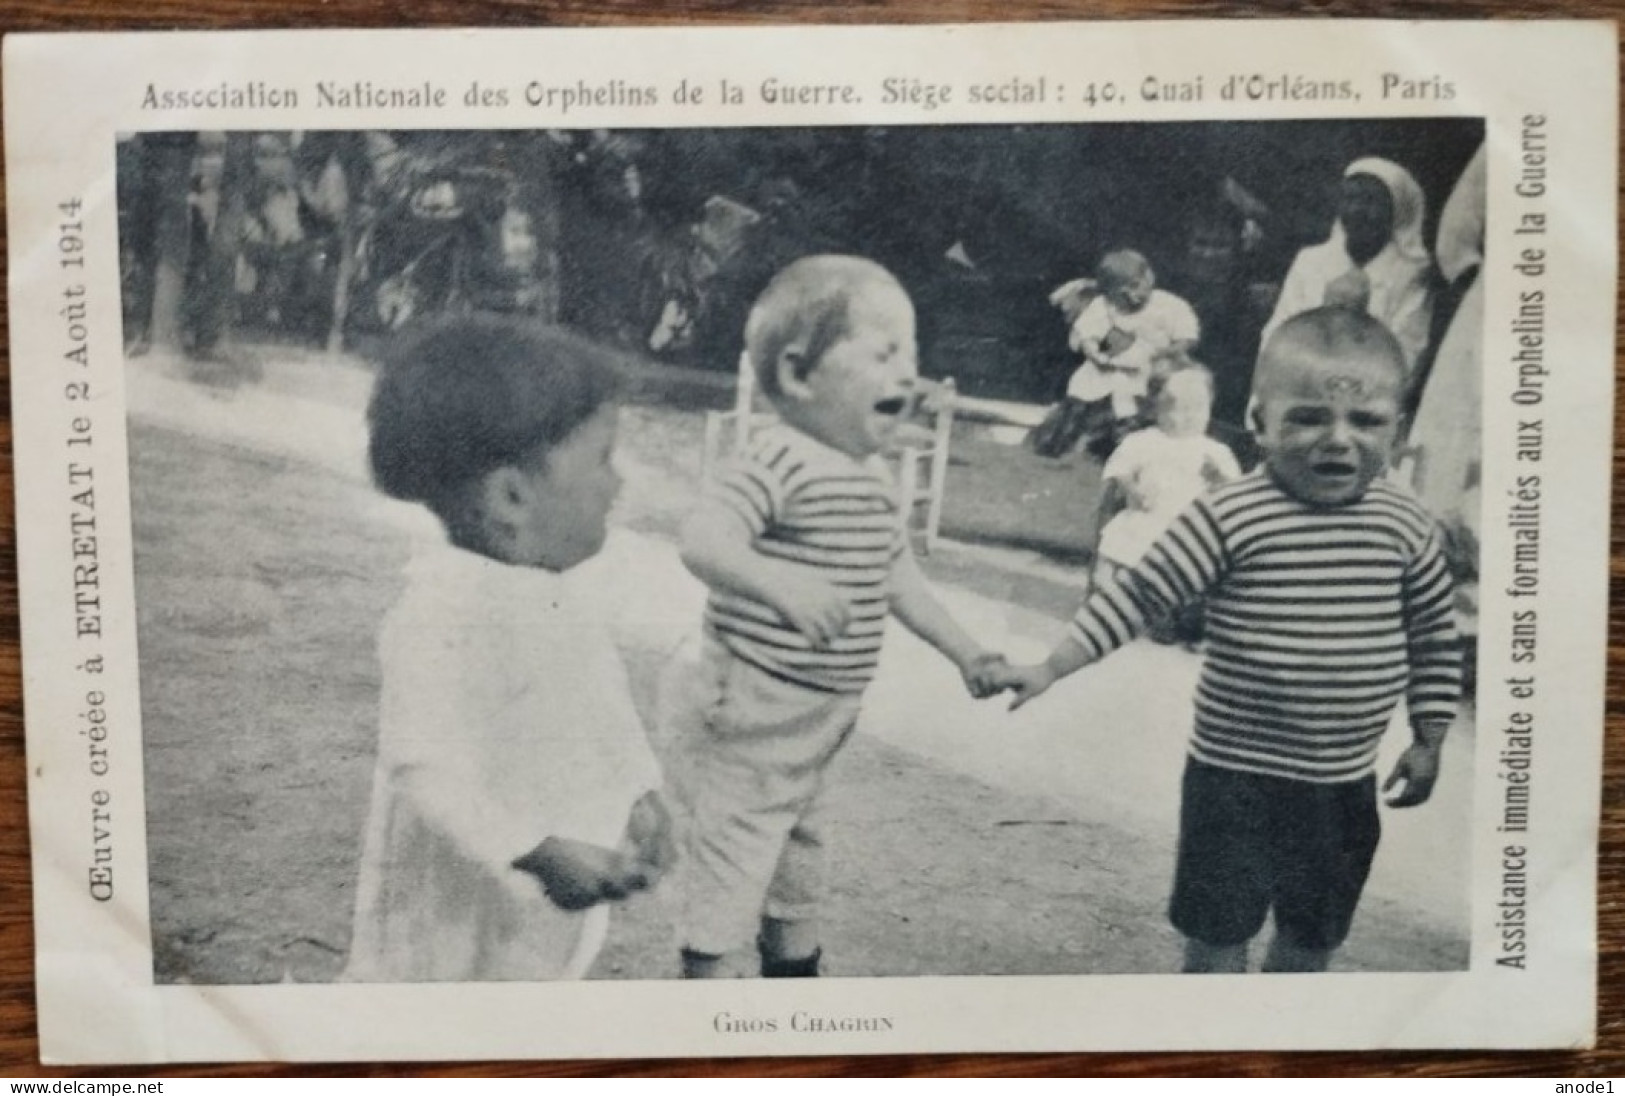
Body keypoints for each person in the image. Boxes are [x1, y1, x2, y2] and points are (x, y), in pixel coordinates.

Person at [986, 307, 1462, 975]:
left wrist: (1429, 735)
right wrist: (1049, 666)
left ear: (1399, 429)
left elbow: (1433, 637)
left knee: (1310, 939)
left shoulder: (1405, 525)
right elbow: (1137, 594)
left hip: (1338, 784)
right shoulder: (1231, 514)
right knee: (1214, 938)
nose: (1336, 440)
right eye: (1305, 417)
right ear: (1258, 420)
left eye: (1365, 421)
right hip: (1231, 778)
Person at [673, 255, 1000, 979]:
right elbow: (702, 537)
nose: (907, 374)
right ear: (797, 374)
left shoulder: (875, 480)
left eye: (911, 356)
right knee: (734, 850)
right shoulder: (775, 457)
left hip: (820, 719)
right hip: (752, 714)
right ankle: (708, 1001)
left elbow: (897, 577)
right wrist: (774, 581)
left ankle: (793, 979)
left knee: (800, 850)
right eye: (885, 354)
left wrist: (966, 651)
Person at [343, 315, 675, 983]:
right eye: (602, 458)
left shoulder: (555, 595)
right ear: (511, 496)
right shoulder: (440, 611)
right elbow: (424, 764)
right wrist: (534, 851)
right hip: (448, 915)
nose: (618, 484)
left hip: (539, 904)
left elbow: (602, 704)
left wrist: (640, 788)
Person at [1091, 359, 1241, 643]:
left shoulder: (1215, 451)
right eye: (1174, 407)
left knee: (1195, 569)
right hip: (1148, 518)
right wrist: (1131, 488)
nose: (1186, 417)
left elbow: (1233, 491)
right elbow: (1118, 469)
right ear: (1154, 408)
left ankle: (1180, 616)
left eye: (1197, 407)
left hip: (1191, 529)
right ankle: (1132, 609)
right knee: (1126, 553)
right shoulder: (1143, 441)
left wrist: (1218, 478)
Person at [1259, 157, 1436, 377]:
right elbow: (1278, 335)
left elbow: (1406, 353)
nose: (1357, 210)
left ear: (1396, 210)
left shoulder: (1412, 273)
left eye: (1371, 201)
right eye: (1349, 198)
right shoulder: (1310, 261)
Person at [1062, 250, 1201, 457]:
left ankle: (1133, 432)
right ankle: (1085, 433)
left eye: (1136, 285)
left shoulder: (1169, 305)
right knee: (1092, 384)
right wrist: (1095, 354)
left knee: (1163, 388)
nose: (1131, 295)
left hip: (1156, 364)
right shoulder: (1104, 306)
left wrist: (1163, 354)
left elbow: (1187, 338)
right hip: (1112, 362)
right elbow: (1087, 335)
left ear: (1149, 277)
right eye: (1121, 293)